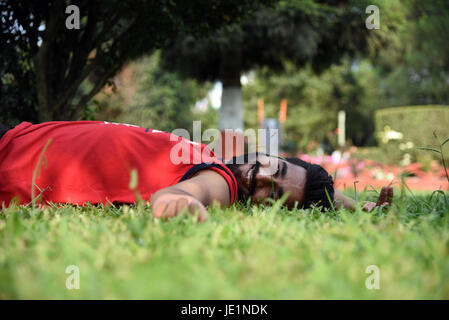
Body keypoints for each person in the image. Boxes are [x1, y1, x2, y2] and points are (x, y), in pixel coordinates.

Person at [0, 121, 393, 220]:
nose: (260, 177)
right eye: (275, 168)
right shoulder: (215, 155)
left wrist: (180, 205)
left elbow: (178, 198)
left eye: (270, 194)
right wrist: (363, 207)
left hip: (10, 164)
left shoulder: (221, 183)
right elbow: (311, 184)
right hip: (21, 135)